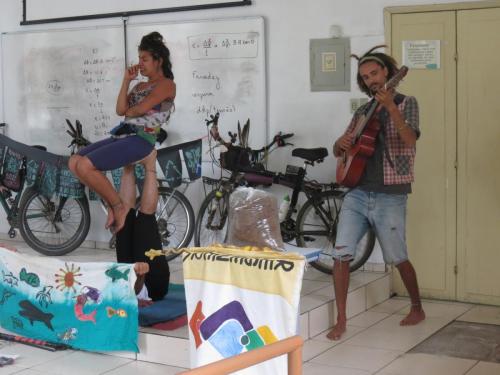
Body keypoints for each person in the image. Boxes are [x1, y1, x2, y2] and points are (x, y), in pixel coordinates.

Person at [327, 45, 425, 341]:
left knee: (397, 256)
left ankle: (417, 307)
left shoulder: (407, 102)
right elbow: (339, 150)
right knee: (341, 253)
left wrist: (392, 108)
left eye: (375, 73)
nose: (371, 79)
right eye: (365, 77)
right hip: (356, 191)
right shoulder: (361, 110)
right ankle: (342, 319)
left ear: (388, 73)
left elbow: (410, 140)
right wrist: (340, 143)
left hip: (390, 192)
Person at [68, 31, 175, 234]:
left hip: (143, 139)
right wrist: (127, 80)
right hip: (123, 135)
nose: (140, 63)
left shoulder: (167, 85)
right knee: (74, 162)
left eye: (144, 59)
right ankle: (111, 205)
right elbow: (121, 110)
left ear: (158, 61)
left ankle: (119, 207)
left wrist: (131, 111)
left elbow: (137, 110)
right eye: (139, 58)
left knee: (86, 165)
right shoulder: (139, 85)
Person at [116, 151, 170, 303]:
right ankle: (151, 165)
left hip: (129, 276)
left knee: (124, 216)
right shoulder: (145, 292)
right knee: (145, 218)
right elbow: (137, 289)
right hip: (153, 283)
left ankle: (128, 164)